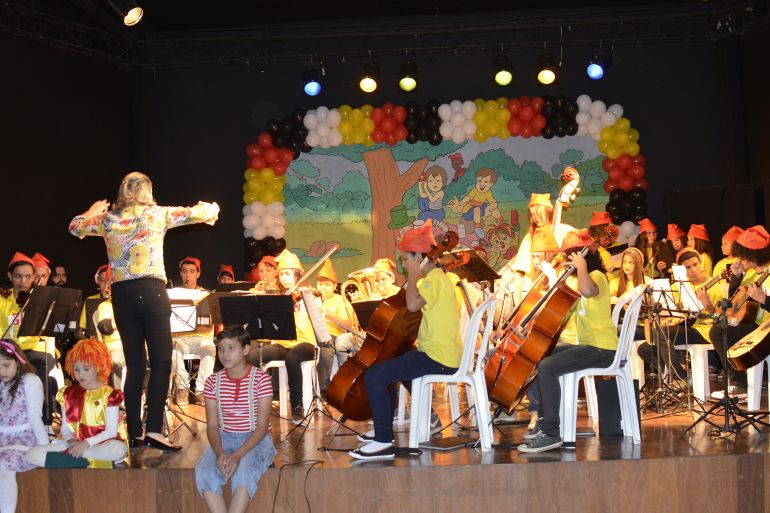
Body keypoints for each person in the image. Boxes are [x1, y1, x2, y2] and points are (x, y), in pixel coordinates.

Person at [69, 171, 219, 451]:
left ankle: (135, 432)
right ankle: (154, 431)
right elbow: (198, 213)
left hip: (122, 295)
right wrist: (210, 209)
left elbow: (75, 227)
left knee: (135, 364)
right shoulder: (157, 214)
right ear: (147, 192)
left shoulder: (107, 220)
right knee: (161, 362)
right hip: (151, 291)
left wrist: (93, 210)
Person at [350, 220, 461, 460]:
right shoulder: (433, 280)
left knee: (375, 375)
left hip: (439, 357)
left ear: (420, 257)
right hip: (435, 353)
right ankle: (384, 428)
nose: (404, 264)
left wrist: (412, 276)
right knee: (390, 366)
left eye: (406, 259)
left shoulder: (434, 280)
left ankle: (383, 441)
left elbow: (412, 305)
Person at [518, 229, 618, 453]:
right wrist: (528, 324)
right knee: (539, 355)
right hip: (588, 346)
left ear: (583, 255)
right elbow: (556, 313)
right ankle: (544, 421)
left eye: (571, 255)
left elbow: (589, 290)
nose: (565, 260)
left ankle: (552, 433)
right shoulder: (578, 283)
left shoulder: (597, 277)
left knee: (547, 367)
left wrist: (581, 267)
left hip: (603, 348)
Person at [195, 326, 276, 513]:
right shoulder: (212, 382)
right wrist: (218, 451)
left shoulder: (261, 379)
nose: (225, 354)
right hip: (225, 437)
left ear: (246, 350)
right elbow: (213, 426)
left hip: (256, 440)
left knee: (245, 471)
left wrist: (238, 454)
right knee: (204, 471)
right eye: (221, 348)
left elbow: (262, 427)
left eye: (231, 348)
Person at [26, 339, 128, 469]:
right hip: (74, 444)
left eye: (86, 369)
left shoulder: (110, 394)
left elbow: (111, 431)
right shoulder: (67, 394)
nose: (80, 374)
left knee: (119, 449)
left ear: (98, 366)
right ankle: (89, 460)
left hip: (103, 444)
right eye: (76, 369)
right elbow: (65, 428)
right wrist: (72, 442)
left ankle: (76, 459)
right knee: (32, 454)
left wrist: (86, 444)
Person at [245, 251, 316, 423]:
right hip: (283, 343)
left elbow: (318, 318)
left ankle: (297, 405)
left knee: (292, 357)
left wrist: (310, 299)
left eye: (288, 274)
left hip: (305, 343)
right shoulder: (279, 297)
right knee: (253, 356)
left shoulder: (307, 294)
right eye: (282, 274)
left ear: (297, 275)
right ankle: (254, 404)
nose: (284, 278)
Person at [636, 249, 724, 383]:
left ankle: (679, 376)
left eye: (695, 264)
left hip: (705, 330)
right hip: (685, 327)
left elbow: (720, 317)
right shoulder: (680, 285)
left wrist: (707, 304)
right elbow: (670, 307)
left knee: (661, 333)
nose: (693, 270)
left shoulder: (715, 286)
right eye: (688, 267)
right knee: (644, 349)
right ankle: (680, 370)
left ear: (701, 264)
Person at [709, 226, 770, 399]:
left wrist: (764, 299)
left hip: (766, 328)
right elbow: (735, 302)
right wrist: (736, 278)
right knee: (719, 328)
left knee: (719, 332)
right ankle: (738, 381)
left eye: (744, 255)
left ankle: (740, 383)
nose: (740, 259)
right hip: (754, 326)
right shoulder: (750, 275)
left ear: (755, 254)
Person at [0, 253, 58, 426]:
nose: (23, 282)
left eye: (27, 277)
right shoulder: (2, 299)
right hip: (8, 350)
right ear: (10, 276)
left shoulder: (40, 300)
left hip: (35, 350)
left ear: (34, 277)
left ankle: (42, 420)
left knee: (39, 369)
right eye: (18, 276)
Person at [0, 339, 48, 513]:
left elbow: (36, 418)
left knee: (4, 465)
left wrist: (45, 451)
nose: (1, 371)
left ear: (19, 362)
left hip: (24, 443)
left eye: (6, 365)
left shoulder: (30, 381)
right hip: (2, 442)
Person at [171, 257, 216, 406]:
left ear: (198, 274)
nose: (188, 275)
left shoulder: (205, 295)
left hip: (200, 337)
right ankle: (182, 388)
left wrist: (192, 327)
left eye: (192, 272)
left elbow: (208, 325)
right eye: (185, 272)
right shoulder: (173, 294)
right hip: (179, 337)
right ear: (180, 274)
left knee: (209, 349)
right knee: (173, 352)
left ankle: (202, 391)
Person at [314, 259, 360, 384]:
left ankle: (323, 387)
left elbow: (349, 324)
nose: (323, 287)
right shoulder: (312, 298)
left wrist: (326, 312)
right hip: (312, 335)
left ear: (335, 286)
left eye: (327, 285)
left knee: (325, 349)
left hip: (331, 336)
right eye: (320, 284)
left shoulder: (340, 300)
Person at [448, 167, 504, 239]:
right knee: (477, 209)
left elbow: (494, 203)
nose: (482, 184)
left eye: (486, 182)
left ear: (491, 184)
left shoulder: (488, 193)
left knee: (493, 208)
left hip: (480, 207)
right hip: (468, 212)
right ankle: (477, 227)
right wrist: (460, 204)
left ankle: (501, 222)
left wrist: (488, 209)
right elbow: (467, 198)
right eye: (479, 181)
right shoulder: (474, 190)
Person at [416, 165, 449, 230]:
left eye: (437, 181)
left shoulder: (440, 193)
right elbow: (422, 194)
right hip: (431, 211)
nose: (434, 183)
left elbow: (432, 199)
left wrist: (425, 188)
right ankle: (427, 217)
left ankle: (438, 223)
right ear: (427, 182)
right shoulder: (431, 192)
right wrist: (420, 183)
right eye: (431, 181)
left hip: (439, 213)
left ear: (443, 182)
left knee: (421, 216)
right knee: (422, 198)